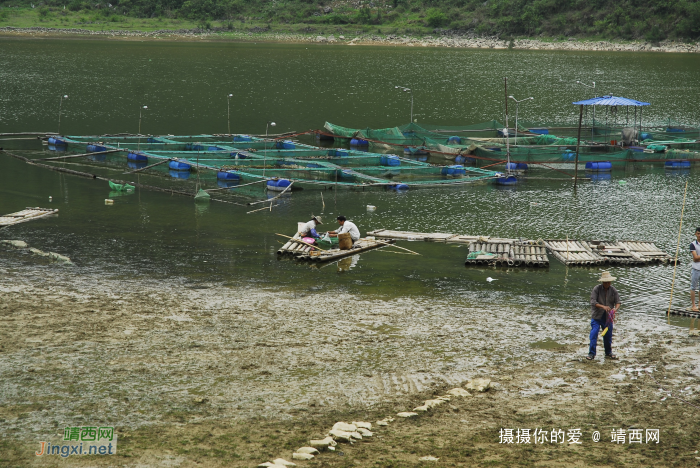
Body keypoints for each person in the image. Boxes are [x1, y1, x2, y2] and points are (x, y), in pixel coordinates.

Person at [587, 271, 621, 361]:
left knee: (608, 335)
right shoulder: (596, 289)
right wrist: (603, 306)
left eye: (608, 282)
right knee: (594, 334)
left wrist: (615, 309)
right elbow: (593, 302)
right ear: (602, 282)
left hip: (608, 317)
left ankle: (608, 352)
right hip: (597, 317)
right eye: (605, 282)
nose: (607, 284)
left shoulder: (613, 290)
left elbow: (618, 302)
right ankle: (591, 353)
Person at [690, 227, 700, 311]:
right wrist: (696, 258)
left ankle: (699, 304)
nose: (699, 235)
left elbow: (697, 258)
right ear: (695, 234)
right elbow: (695, 257)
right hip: (696, 269)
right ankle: (693, 305)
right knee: (693, 287)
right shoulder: (693, 244)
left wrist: (697, 258)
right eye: (698, 233)